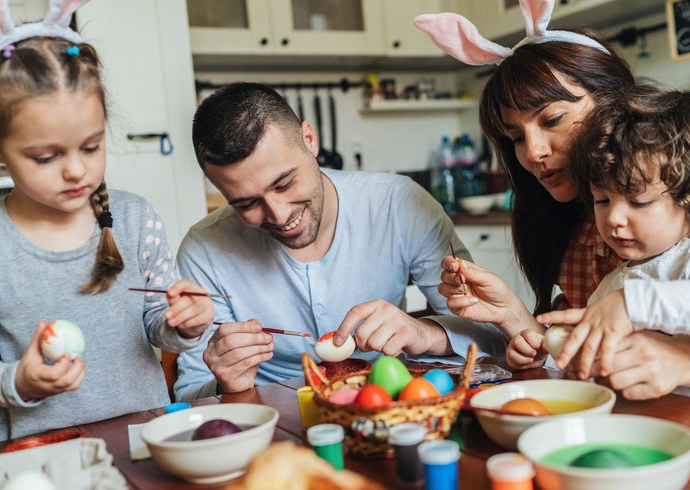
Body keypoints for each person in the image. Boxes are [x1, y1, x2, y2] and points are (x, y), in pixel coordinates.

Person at [416, 0, 690, 400]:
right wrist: (512, 316)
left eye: (552, 119)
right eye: (516, 138)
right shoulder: (581, 238)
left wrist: (684, 361)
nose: (533, 153)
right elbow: (580, 354)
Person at [173, 83, 508, 401]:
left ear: (309, 140)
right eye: (246, 203)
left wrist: (428, 334)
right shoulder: (204, 249)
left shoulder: (398, 204)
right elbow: (188, 393)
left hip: (390, 413)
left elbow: (495, 337)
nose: (277, 214)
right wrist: (223, 383)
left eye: (285, 184)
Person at [0, 0, 215, 441]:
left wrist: (185, 323)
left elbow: (157, 325)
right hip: (42, 454)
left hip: (148, 444)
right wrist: (20, 382)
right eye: (46, 156)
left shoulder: (135, 219)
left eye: (90, 147)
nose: (75, 170)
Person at [529, 87, 690, 402]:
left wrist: (632, 305)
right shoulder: (612, 285)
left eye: (639, 202)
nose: (614, 217)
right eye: (602, 200)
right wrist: (551, 354)